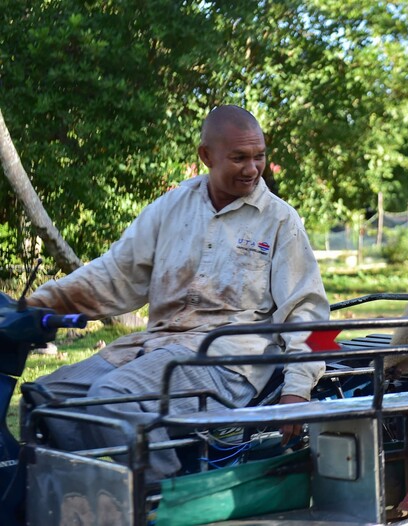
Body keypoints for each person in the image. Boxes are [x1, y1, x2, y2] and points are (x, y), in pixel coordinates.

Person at [25, 104, 328, 479]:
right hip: (154, 347)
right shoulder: (172, 208)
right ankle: (72, 500)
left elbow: (310, 311)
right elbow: (114, 273)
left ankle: (162, 502)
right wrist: (37, 304)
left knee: (113, 398)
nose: (252, 169)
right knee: (45, 399)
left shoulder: (280, 220)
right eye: (239, 158)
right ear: (206, 156)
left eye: (259, 156)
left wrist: (299, 389)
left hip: (227, 361)